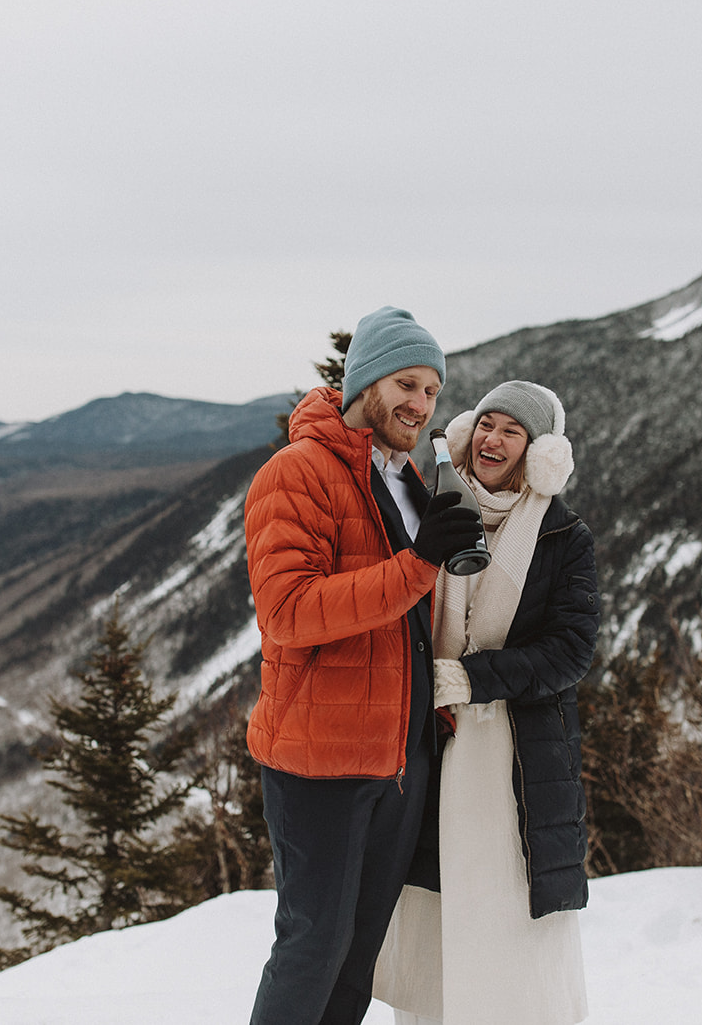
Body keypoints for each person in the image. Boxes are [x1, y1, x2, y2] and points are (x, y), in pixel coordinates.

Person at [244, 306, 485, 1025]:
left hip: (398, 759)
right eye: (406, 383)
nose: (420, 403)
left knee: (357, 955)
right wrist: (418, 565)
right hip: (320, 763)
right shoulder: (298, 473)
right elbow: (288, 611)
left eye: (432, 391)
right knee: (313, 946)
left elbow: (411, 618)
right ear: (366, 383)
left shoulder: (408, 478)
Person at [373, 380, 600, 1025]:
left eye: (512, 431)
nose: (492, 440)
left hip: (516, 756)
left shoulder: (563, 537)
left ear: (539, 453)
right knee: (433, 903)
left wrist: (476, 678)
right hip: (431, 741)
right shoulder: (432, 513)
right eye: (487, 424)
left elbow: (572, 649)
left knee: (504, 907)